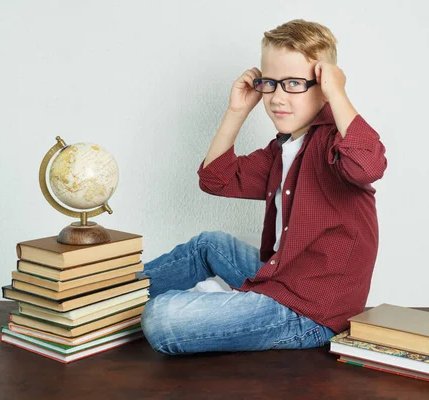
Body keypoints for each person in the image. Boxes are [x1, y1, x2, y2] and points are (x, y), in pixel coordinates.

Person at [141, 19, 387, 355]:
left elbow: (368, 166)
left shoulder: (336, 145)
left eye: (294, 83)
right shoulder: (283, 150)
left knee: (162, 318)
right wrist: (236, 110)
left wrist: (337, 93)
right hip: (282, 280)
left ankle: (213, 306)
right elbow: (215, 179)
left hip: (310, 313)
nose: (277, 97)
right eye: (270, 83)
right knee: (209, 244)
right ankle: (106, 301)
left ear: (323, 84)